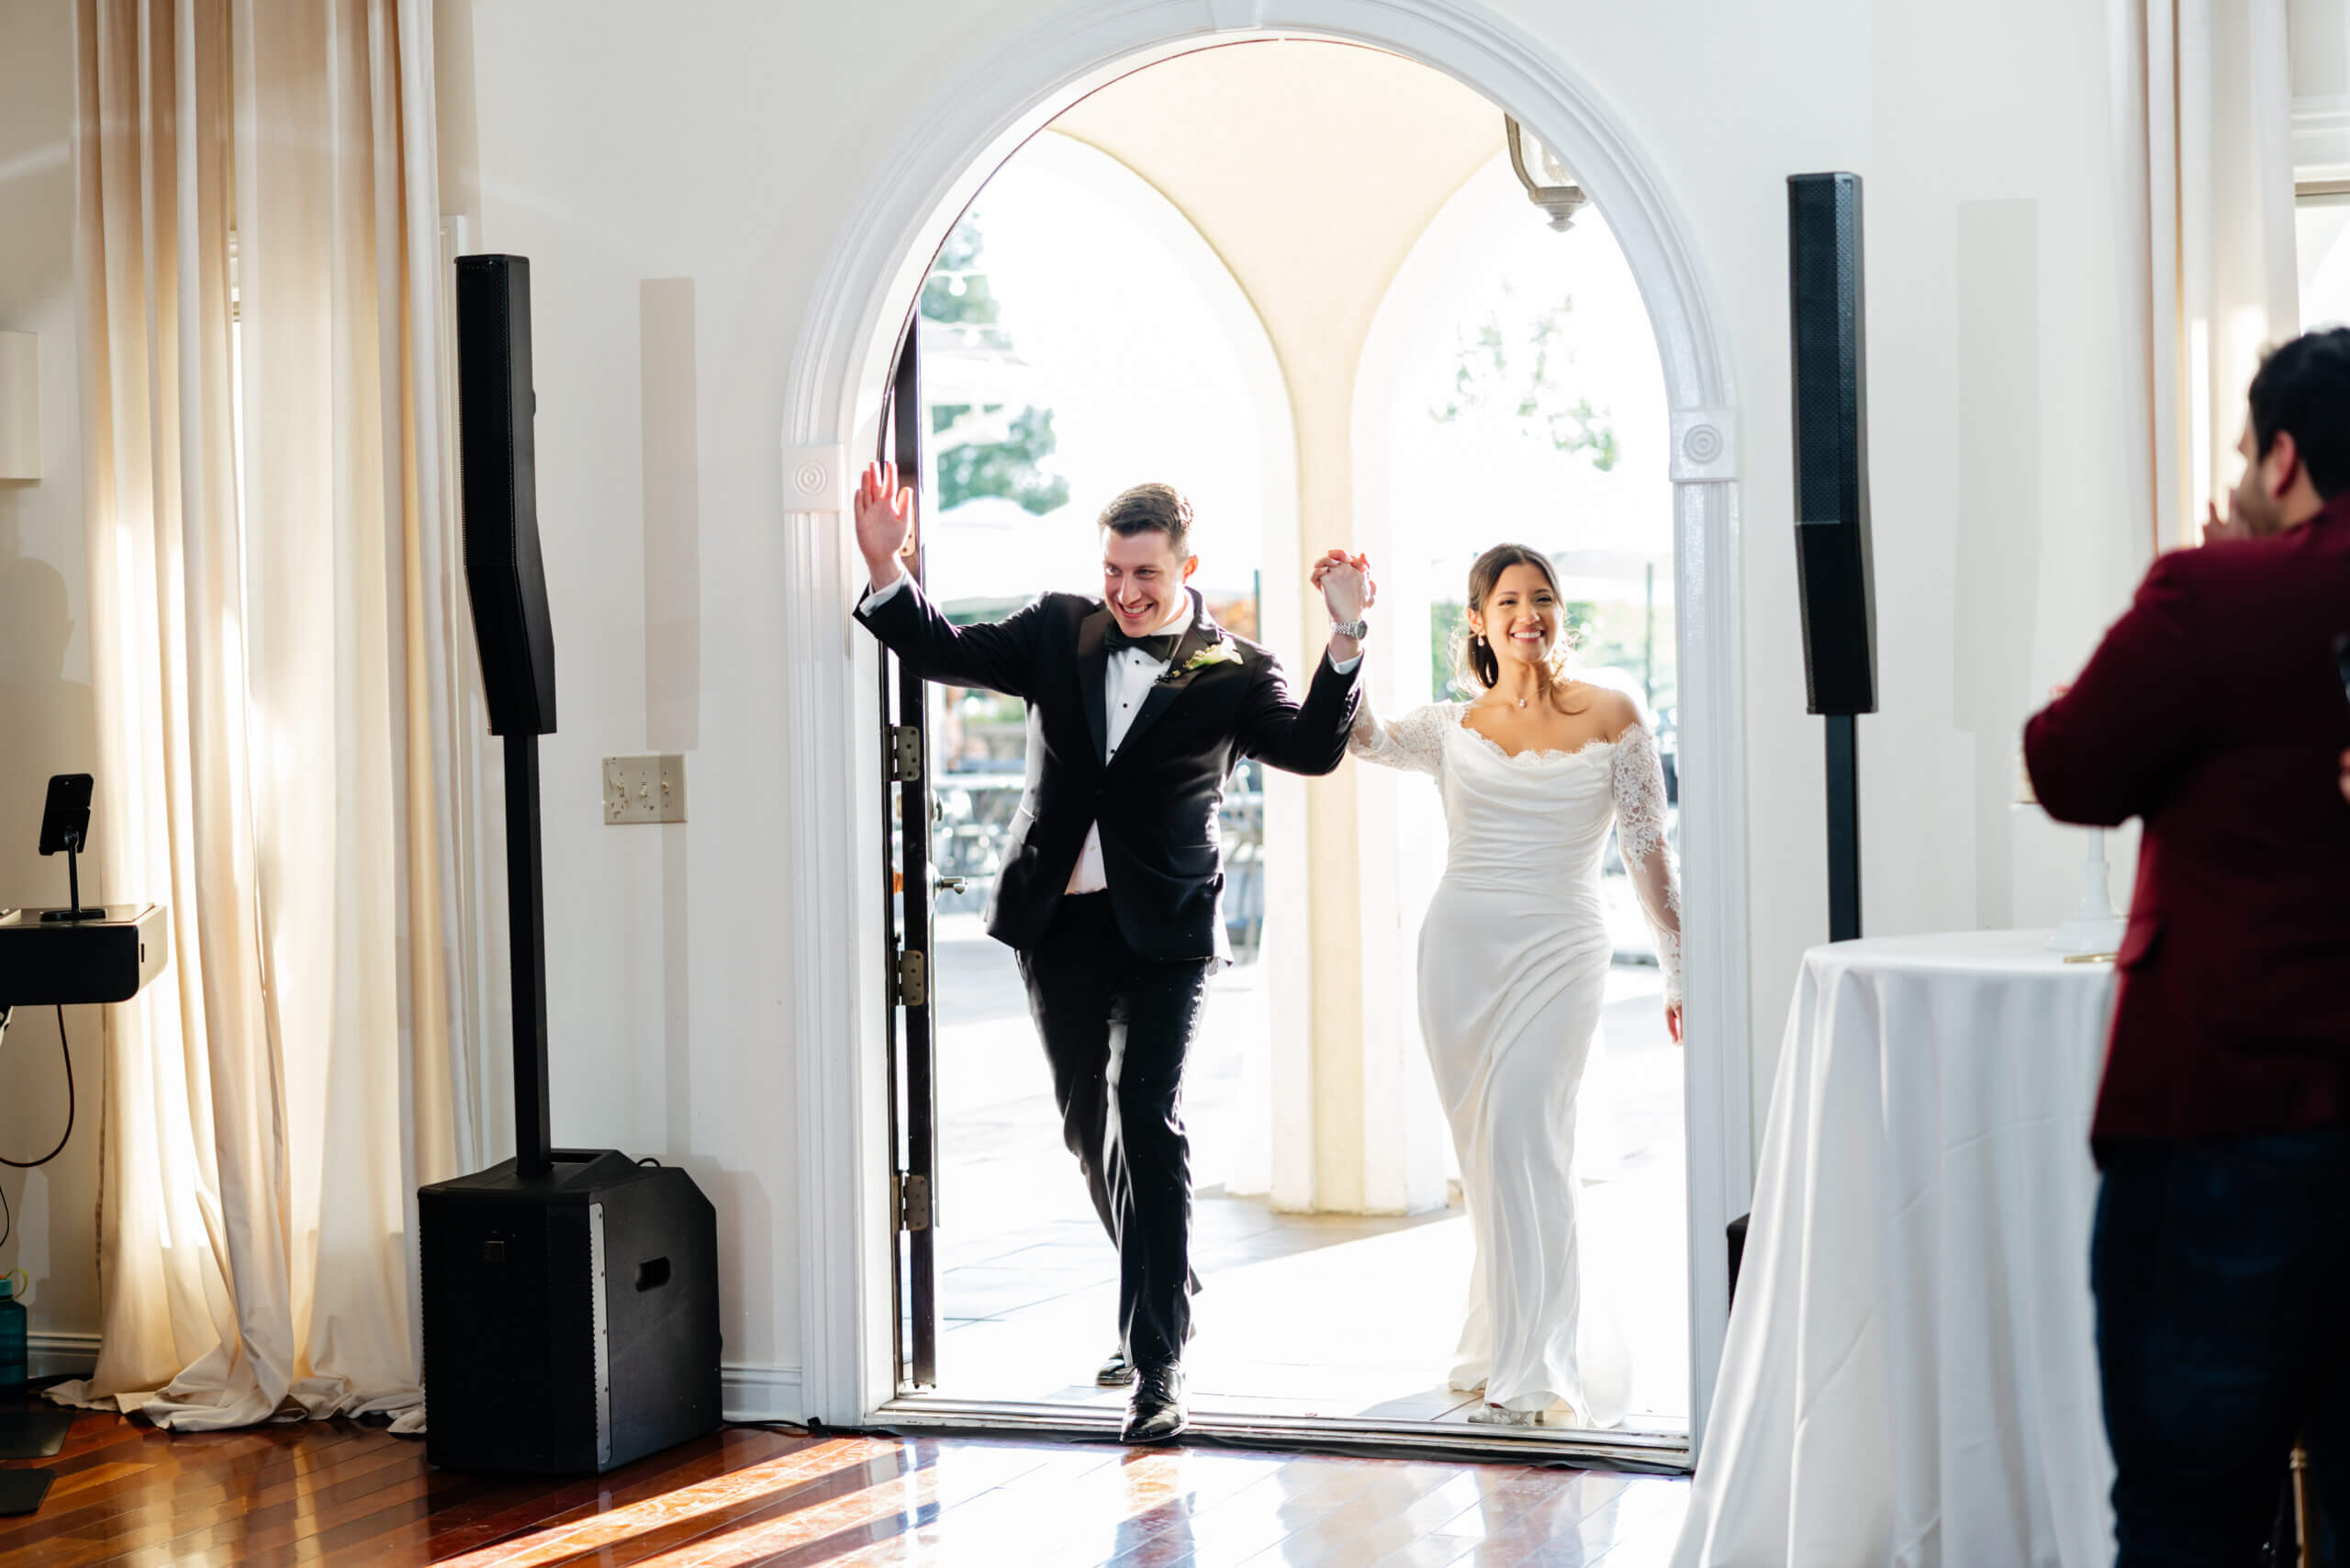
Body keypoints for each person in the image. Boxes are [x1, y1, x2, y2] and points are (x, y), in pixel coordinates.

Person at [852, 467, 1370, 1442]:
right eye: (1113, 571)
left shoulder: (1239, 669)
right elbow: (942, 649)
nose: (1125, 591)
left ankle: (1158, 1368)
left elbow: (1311, 748)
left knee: (1146, 1118)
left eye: (1145, 573)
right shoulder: (1058, 628)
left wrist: (1345, 636)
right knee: (1090, 1131)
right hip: (1059, 926)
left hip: (1168, 933)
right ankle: (1162, 1282)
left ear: (1186, 568)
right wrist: (885, 563)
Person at [2024, 327, 2350, 1565]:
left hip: (2227, 1115)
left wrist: (2215, 589)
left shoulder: (2219, 594)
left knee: (2186, 1520)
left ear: (2283, 456)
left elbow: (2066, 765)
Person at [1341, 542, 1682, 1428]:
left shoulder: (1614, 712)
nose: (1529, 614)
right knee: (1489, 1159)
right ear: (1479, 622)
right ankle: (1503, 1341)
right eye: (1509, 602)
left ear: (1559, 613)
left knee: (1529, 1139)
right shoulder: (1450, 727)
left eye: (1543, 598)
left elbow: (1649, 852)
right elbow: (1359, 737)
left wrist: (1679, 969)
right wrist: (1349, 627)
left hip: (1563, 948)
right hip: (1460, 955)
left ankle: (1540, 1367)